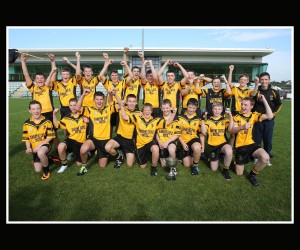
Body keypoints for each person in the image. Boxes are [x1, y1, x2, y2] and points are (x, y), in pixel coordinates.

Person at [119, 101, 176, 176]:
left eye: (149, 110)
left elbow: (168, 122)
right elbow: (125, 117)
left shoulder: (156, 120)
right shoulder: (137, 118)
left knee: (156, 148)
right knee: (143, 166)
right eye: (145, 110)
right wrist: (122, 107)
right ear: (142, 111)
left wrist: (174, 113)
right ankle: (138, 156)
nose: (147, 112)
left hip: (150, 142)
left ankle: (154, 167)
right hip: (140, 144)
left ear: (151, 111)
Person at [228, 96, 273, 186]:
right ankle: (235, 162)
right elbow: (232, 130)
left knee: (265, 158)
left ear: (251, 106)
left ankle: (252, 175)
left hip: (252, 144)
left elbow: (270, 116)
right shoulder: (236, 117)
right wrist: (242, 127)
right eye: (242, 104)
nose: (243, 106)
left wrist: (264, 100)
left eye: (245, 105)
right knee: (239, 174)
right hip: (240, 147)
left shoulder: (254, 115)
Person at [21, 52, 59, 149]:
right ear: (35, 80)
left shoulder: (48, 86)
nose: (40, 79)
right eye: (37, 78)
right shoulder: (33, 88)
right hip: (38, 114)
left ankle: (59, 153)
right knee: (41, 136)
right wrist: (23, 61)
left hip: (49, 113)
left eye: (41, 78)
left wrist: (53, 61)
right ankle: (42, 153)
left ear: (45, 79)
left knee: (54, 135)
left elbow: (54, 73)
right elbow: (26, 74)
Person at [75, 89, 115, 176]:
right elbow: (77, 108)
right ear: (94, 100)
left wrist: (111, 95)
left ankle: (100, 152)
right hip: (94, 139)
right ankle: (84, 165)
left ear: (104, 100)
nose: (99, 101)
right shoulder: (90, 109)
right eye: (97, 99)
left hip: (105, 140)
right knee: (83, 150)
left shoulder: (108, 109)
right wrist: (83, 95)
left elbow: (115, 104)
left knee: (102, 166)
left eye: (101, 99)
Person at [252, 72, 282, 165]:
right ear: (260, 80)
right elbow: (252, 100)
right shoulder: (257, 91)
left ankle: (267, 156)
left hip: (269, 120)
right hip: (258, 119)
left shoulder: (274, 91)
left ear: (269, 80)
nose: (264, 81)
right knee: (257, 138)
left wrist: (273, 114)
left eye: (266, 79)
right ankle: (257, 157)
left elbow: (279, 104)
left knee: (268, 139)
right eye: (262, 79)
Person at [105, 93, 141, 168]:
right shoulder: (122, 108)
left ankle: (130, 152)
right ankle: (119, 156)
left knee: (130, 164)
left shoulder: (139, 113)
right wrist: (113, 94)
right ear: (127, 102)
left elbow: (125, 117)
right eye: (130, 101)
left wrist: (121, 106)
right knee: (107, 147)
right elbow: (111, 102)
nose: (131, 103)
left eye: (133, 101)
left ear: (136, 103)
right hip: (120, 137)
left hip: (130, 140)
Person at [22, 100, 56, 180]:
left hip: (45, 144)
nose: (36, 111)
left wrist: (39, 146)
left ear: (41, 109)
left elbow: (50, 137)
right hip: (34, 149)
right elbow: (26, 138)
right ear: (30, 111)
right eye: (33, 109)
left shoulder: (47, 121)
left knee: (41, 152)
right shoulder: (26, 123)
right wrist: (28, 148)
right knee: (37, 170)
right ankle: (49, 158)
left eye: (38, 108)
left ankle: (46, 172)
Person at [52, 98, 88, 173]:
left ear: (78, 105)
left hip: (81, 142)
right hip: (71, 140)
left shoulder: (84, 115)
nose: (73, 107)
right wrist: (54, 115)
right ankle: (64, 165)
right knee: (60, 147)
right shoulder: (67, 117)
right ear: (69, 106)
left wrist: (87, 119)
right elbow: (57, 125)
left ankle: (83, 152)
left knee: (79, 164)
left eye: (74, 105)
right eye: (71, 105)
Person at [227, 65, 259, 148]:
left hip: (245, 114)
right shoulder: (235, 89)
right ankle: (230, 149)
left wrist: (256, 84)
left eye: (245, 80)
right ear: (238, 80)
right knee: (233, 133)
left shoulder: (249, 90)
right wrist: (231, 71)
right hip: (235, 112)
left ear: (247, 81)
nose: (243, 81)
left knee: (245, 131)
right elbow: (229, 84)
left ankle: (243, 147)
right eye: (241, 79)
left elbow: (253, 94)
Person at [201, 102, 233, 180]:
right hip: (213, 146)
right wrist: (202, 119)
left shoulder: (224, 120)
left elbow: (230, 129)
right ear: (212, 110)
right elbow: (203, 132)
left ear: (222, 110)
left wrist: (231, 117)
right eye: (215, 109)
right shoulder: (209, 121)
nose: (217, 111)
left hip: (223, 143)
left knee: (229, 151)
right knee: (214, 169)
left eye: (219, 109)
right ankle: (218, 156)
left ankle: (226, 170)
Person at [178, 98, 205, 175]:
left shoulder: (198, 118)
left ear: (196, 108)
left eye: (194, 108)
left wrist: (202, 145)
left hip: (193, 139)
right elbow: (177, 133)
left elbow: (202, 133)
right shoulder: (180, 117)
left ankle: (195, 166)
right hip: (184, 141)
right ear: (186, 106)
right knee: (187, 165)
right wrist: (183, 143)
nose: (191, 110)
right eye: (190, 107)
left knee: (197, 147)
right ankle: (194, 155)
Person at [156, 99, 181, 172]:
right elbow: (156, 133)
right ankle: (166, 156)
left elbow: (177, 134)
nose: (165, 110)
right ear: (161, 108)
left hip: (170, 141)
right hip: (161, 142)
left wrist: (167, 142)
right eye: (163, 108)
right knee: (164, 165)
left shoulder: (176, 119)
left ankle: (173, 167)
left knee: (171, 149)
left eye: (167, 108)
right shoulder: (158, 119)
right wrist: (160, 142)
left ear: (170, 108)